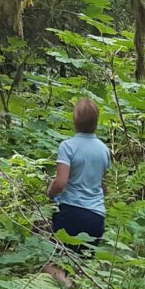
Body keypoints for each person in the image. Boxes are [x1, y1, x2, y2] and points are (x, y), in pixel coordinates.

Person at [48, 98, 110, 253]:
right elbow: (102, 185)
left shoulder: (68, 146)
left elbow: (60, 183)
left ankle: (63, 278)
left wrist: (50, 192)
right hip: (97, 216)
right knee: (82, 268)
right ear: (96, 121)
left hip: (72, 212)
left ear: (75, 120)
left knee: (54, 265)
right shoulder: (104, 150)